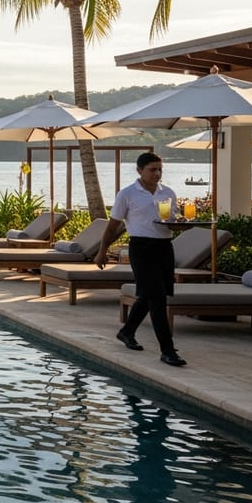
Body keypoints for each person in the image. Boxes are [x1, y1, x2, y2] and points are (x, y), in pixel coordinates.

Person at [94, 152, 186, 367]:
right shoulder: (127, 194)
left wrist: (179, 224)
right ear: (139, 171)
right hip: (141, 248)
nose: (157, 173)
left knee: (150, 295)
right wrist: (102, 250)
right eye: (152, 169)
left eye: (160, 169)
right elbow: (113, 224)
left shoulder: (168, 193)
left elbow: (172, 219)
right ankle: (167, 350)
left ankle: (127, 331)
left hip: (164, 247)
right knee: (157, 299)